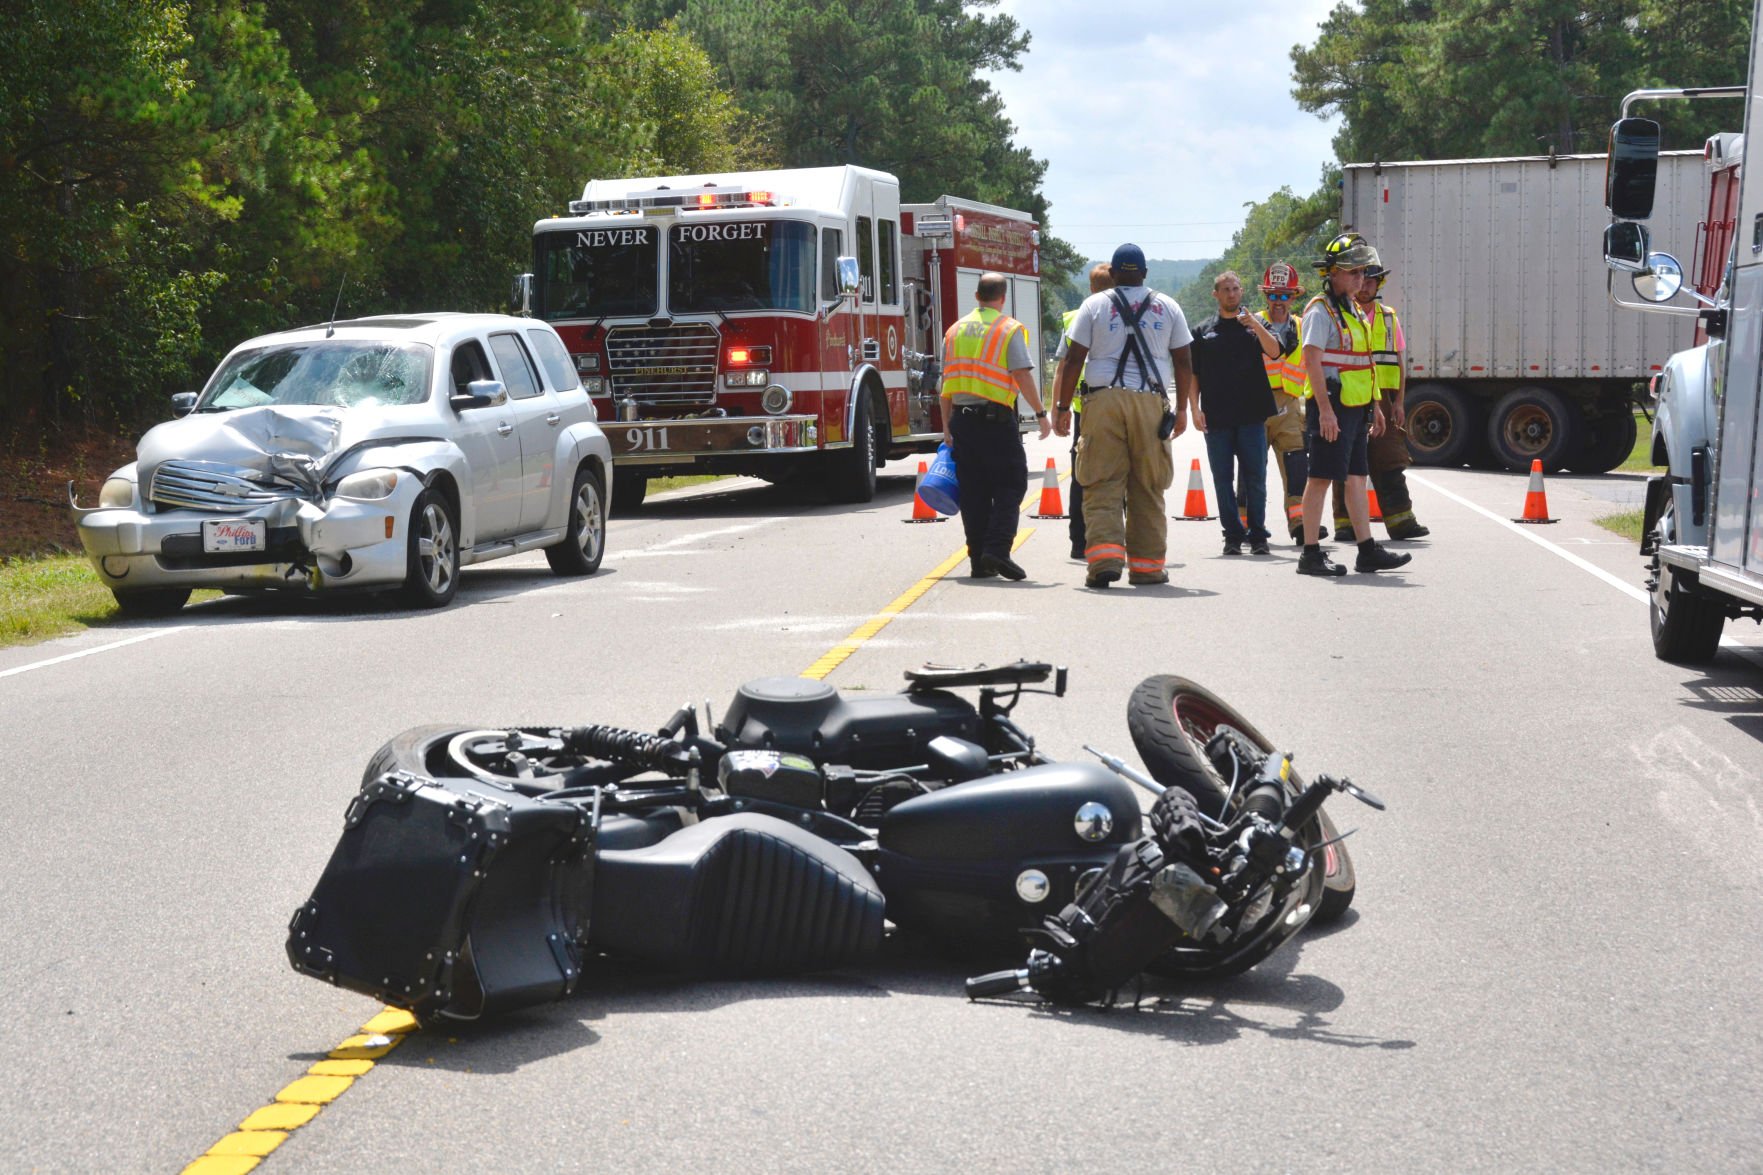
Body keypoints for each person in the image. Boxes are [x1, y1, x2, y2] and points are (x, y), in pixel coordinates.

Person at [1052, 243, 1195, 588]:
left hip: (1102, 403)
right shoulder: (1168, 307)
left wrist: (1060, 408)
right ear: (1145, 273)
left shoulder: (1094, 305)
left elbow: (1073, 360)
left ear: (1113, 274)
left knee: (1101, 481)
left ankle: (1103, 562)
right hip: (1150, 402)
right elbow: (1184, 361)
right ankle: (1146, 568)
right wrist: (1183, 410)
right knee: (1147, 484)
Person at [1295, 233, 1412, 577]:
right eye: (1353, 272)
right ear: (1332, 274)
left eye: (1363, 272)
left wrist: (1374, 404)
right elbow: (1311, 361)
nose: (1360, 278)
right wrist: (1325, 410)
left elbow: (1364, 362)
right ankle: (1311, 554)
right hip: (1331, 404)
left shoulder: (1354, 310)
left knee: (1357, 478)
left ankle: (1366, 549)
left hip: (1356, 405)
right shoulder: (1320, 311)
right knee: (1319, 478)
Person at [940, 271, 1053, 580]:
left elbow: (946, 384)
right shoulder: (1008, 329)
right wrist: (1041, 413)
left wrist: (946, 427)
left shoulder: (954, 331)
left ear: (976, 296)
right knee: (1011, 484)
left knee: (974, 491)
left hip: (962, 422)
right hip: (996, 421)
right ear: (1002, 298)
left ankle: (978, 559)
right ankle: (997, 550)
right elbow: (1021, 374)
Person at [1329, 253, 1431, 541]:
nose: (1365, 286)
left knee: (1389, 459)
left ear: (1378, 283)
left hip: (1383, 397)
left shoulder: (1389, 317)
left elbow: (1399, 361)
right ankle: (1345, 524)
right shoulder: (1339, 314)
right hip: (1349, 394)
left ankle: (1401, 520)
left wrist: (1399, 402)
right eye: (1360, 278)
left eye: (1370, 280)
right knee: (1344, 459)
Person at [1190, 270, 1281, 556]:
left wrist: (1254, 322)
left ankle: (1258, 536)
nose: (1231, 293)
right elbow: (1193, 374)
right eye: (1225, 289)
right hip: (1217, 417)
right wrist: (1194, 408)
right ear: (1215, 294)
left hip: (1252, 415)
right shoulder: (1202, 331)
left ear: (1242, 292)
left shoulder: (1256, 325)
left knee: (1255, 477)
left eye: (1236, 288)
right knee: (1222, 478)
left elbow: (1276, 351)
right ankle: (1232, 535)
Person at [1051, 263, 1116, 560]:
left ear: (1090, 288)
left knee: (1081, 475)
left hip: (1082, 410)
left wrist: (1057, 409)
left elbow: (1062, 369)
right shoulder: (1122, 314)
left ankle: (1079, 542)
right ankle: (1117, 538)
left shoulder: (1075, 317)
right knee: (1119, 473)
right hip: (1116, 404)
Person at [1254, 262, 1313, 542]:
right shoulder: (1254, 324)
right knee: (1252, 468)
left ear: (1293, 297)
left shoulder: (1302, 326)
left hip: (1290, 403)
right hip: (1256, 404)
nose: (1279, 302)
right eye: (1274, 296)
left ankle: (1299, 523)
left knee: (1296, 465)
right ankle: (1248, 526)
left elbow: (1313, 365)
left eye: (1285, 295)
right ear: (1266, 296)